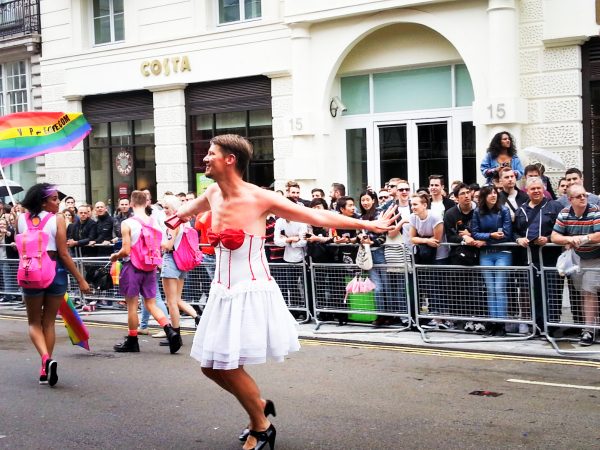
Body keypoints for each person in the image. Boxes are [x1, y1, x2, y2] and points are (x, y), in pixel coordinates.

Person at [176, 134, 395, 450]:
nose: (205, 159)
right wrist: (174, 217)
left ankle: (262, 426)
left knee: (226, 365)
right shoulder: (212, 192)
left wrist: (368, 226)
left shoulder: (260, 198)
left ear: (230, 159)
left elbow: (317, 216)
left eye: (211, 154)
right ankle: (260, 406)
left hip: (249, 290)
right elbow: (187, 210)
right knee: (210, 367)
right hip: (221, 291)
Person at [17, 183, 91, 386]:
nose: (58, 202)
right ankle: (46, 364)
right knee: (48, 322)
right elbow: (64, 254)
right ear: (43, 201)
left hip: (30, 271)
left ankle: (45, 361)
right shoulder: (57, 219)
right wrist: (81, 279)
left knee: (33, 323)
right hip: (54, 271)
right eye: (54, 199)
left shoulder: (20, 219)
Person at [110, 190, 181, 354]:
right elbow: (162, 245)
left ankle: (132, 340)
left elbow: (126, 250)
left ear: (132, 204)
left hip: (132, 267)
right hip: (150, 267)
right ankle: (170, 331)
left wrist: (115, 256)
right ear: (146, 203)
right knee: (150, 303)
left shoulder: (127, 223)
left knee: (132, 306)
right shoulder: (155, 223)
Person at [551, 184, 600, 346]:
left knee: (589, 292)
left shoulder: (594, 210)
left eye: (584, 195)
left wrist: (584, 238)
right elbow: (554, 236)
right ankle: (591, 326)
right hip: (577, 259)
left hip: (595, 258)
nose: (583, 198)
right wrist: (569, 240)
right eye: (579, 196)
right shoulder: (565, 213)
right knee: (582, 292)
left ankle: (588, 331)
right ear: (570, 199)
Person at [514, 177, 563, 332]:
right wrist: (518, 239)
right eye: (532, 189)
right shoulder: (521, 209)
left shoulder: (555, 206)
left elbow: (563, 228)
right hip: (529, 257)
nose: (536, 191)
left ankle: (553, 326)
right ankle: (538, 325)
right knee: (534, 292)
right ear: (527, 191)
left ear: (544, 189)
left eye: (538, 188)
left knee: (552, 291)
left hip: (550, 256)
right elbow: (514, 230)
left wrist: (548, 239)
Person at [471, 185, 513, 336]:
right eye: (489, 194)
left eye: (495, 193)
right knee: (490, 289)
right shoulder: (477, 212)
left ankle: (501, 323)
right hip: (486, 254)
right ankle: (493, 322)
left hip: (503, 253)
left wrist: (487, 239)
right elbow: (475, 233)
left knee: (499, 288)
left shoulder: (504, 210)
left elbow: (507, 234)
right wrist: (491, 236)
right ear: (484, 196)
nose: (493, 196)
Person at [159, 195, 200, 348]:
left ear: (174, 209)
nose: (164, 210)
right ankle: (197, 317)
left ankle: (175, 336)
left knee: (171, 302)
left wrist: (158, 242)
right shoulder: (184, 223)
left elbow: (168, 246)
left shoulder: (173, 224)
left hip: (171, 260)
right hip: (181, 262)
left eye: (167, 208)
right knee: (176, 299)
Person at [409, 192, 452, 329]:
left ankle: (444, 318)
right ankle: (435, 317)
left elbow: (437, 241)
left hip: (440, 256)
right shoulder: (413, 218)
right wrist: (426, 239)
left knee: (440, 286)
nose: (413, 207)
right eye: (412, 204)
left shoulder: (434, 216)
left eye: (415, 204)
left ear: (424, 205)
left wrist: (422, 239)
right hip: (425, 256)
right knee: (430, 286)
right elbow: (412, 238)